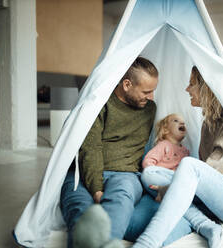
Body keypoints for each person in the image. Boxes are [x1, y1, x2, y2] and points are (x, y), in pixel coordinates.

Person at [131, 66, 223, 248]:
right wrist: (175, 188)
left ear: (207, 88)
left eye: (192, 84)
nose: (187, 89)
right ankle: (206, 226)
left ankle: (147, 243)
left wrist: (171, 189)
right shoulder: (209, 122)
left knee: (189, 166)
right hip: (217, 204)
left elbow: (214, 170)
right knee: (149, 174)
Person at [60, 57, 193, 248]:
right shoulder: (99, 104)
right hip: (82, 172)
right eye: (146, 91)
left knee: (120, 200)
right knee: (80, 209)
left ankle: (106, 243)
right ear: (127, 84)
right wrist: (97, 191)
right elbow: (91, 148)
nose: (151, 97)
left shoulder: (149, 109)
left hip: (125, 175)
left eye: (153, 91)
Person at [141, 113, 222, 248]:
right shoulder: (164, 145)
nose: (182, 123)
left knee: (185, 188)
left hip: (182, 181)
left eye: (183, 122)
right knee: (147, 174)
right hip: (163, 179)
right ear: (166, 130)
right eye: (176, 121)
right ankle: (206, 225)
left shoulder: (186, 151)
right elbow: (148, 163)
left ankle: (207, 225)